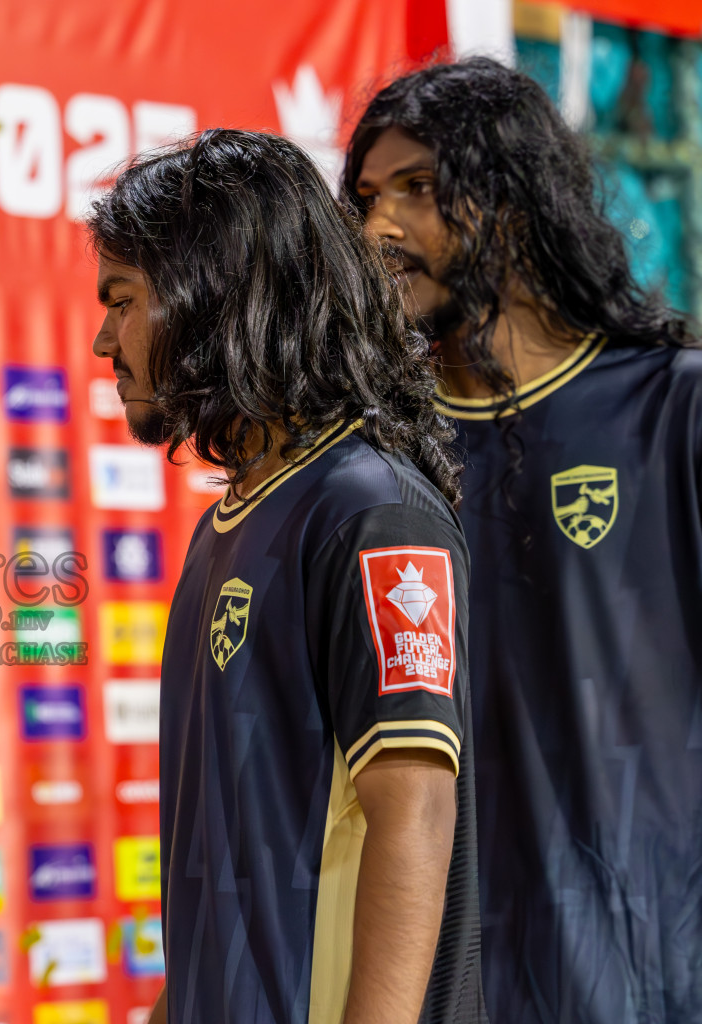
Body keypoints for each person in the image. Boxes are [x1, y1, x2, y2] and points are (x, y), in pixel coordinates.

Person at [89, 130, 487, 1024]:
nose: (102, 338)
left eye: (123, 300)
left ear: (213, 293)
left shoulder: (372, 510)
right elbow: (243, 866)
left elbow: (414, 813)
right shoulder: (229, 524)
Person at [346, 57, 702, 1024]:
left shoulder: (673, 408)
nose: (380, 226)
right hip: (440, 989)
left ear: (514, 197)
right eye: (368, 196)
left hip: (647, 985)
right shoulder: (375, 464)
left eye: (418, 188)